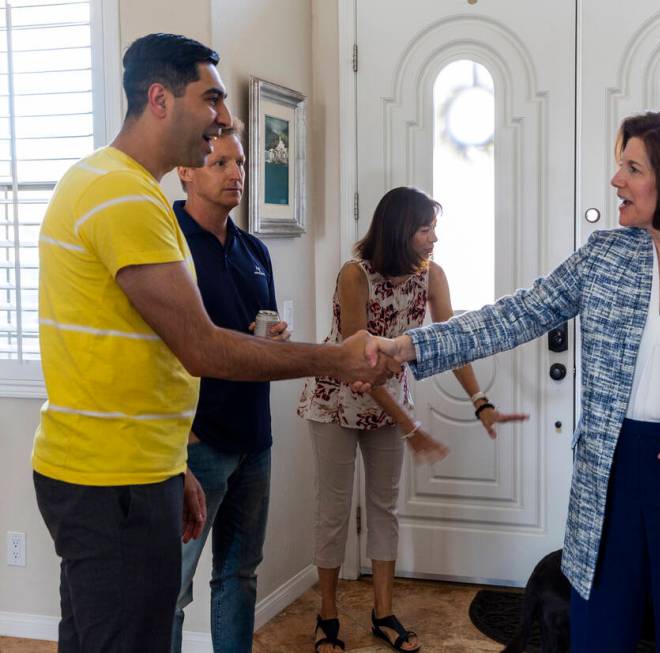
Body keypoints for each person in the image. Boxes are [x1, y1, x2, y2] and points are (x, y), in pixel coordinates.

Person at [376, 112, 660, 653]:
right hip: (613, 469)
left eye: (632, 167)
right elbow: (515, 314)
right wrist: (407, 346)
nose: (615, 180)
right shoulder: (604, 255)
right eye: (619, 165)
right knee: (601, 631)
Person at [32, 33, 393, 653]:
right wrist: (334, 356)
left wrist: (173, 466)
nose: (224, 119)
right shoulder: (121, 195)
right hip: (111, 481)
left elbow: (148, 356)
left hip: (134, 467)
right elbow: (203, 349)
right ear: (160, 99)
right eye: (213, 99)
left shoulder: (123, 187)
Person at [297, 186, 527, 653]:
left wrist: (479, 400)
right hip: (335, 401)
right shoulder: (354, 275)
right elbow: (361, 362)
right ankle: (327, 615)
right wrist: (411, 426)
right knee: (333, 513)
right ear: (400, 229)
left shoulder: (431, 277)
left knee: (384, 509)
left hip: (390, 408)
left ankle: (383, 612)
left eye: (434, 228)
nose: (433, 238)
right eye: (426, 228)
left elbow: (453, 344)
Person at [167, 119, 286, 652]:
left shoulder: (254, 250)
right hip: (197, 443)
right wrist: (181, 441)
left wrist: (277, 339)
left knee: (239, 576)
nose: (236, 174)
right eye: (221, 163)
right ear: (185, 171)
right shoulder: (166, 245)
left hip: (254, 440)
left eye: (240, 163)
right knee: (171, 588)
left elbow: (257, 333)